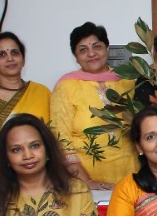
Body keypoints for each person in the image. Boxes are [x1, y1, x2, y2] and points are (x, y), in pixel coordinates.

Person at [51, 22, 135, 189]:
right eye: (83, 49)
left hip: (131, 175)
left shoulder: (127, 81)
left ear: (107, 48)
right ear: (76, 57)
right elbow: (60, 138)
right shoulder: (67, 86)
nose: (91, 53)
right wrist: (89, 183)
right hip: (86, 182)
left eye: (97, 46)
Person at [0, 32, 52, 135]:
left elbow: (55, 134)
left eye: (14, 53)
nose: (10, 58)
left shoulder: (42, 92)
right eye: (2, 55)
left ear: (23, 59)